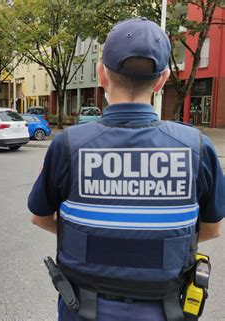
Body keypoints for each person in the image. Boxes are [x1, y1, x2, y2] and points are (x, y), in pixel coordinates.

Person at [28, 18, 223, 321]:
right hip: (166, 311)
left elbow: (40, 218)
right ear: (162, 80)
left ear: (101, 74)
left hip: (83, 310)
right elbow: (211, 229)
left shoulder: (68, 145)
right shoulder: (197, 147)